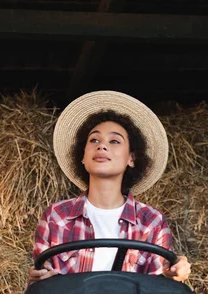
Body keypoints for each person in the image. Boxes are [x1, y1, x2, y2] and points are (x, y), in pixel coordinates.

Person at [28, 90, 191, 284]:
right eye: (94, 140)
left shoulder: (151, 222)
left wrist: (171, 274)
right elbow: (41, 291)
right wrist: (38, 280)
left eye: (114, 141)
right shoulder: (56, 216)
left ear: (131, 158)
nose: (102, 146)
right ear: (82, 156)